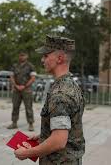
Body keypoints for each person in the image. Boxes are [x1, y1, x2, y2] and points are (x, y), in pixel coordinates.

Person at [14, 35, 85, 164]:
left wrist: (27, 153)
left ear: (60, 58)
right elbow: (69, 127)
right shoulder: (70, 84)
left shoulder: (60, 93)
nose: (42, 60)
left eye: (46, 56)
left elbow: (58, 141)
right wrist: (44, 135)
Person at [7, 51, 36, 131]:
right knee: (15, 106)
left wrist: (24, 86)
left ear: (27, 56)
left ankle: (31, 124)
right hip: (16, 90)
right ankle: (14, 123)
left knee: (28, 107)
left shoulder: (30, 66)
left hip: (27, 90)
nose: (22, 57)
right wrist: (16, 85)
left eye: (23, 55)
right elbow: (11, 76)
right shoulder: (15, 65)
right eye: (20, 55)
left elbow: (33, 78)